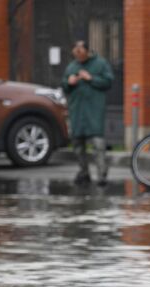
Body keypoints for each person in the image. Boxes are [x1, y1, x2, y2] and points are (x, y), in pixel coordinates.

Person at [61, 40, 114, 186]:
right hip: (77, 110)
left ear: (87, 51)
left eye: (80, 52)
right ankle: (83, 172)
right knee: (77, 144)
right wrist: (68, 82)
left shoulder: (100, 64)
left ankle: (102, 173)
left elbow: (108, 82)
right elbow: (64, 86)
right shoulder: (72, 66)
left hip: (94, 110)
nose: (78, 55)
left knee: (98, 143)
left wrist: (91, 78)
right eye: (76, 52)